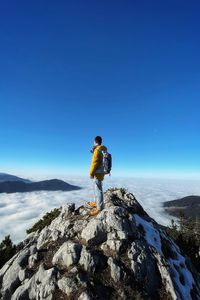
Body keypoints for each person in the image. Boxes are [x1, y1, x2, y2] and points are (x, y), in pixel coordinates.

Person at [88, 136, 107, 216]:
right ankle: (96, 203)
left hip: (97, 173)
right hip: (102, 172)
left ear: (95, 142)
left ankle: (99, 208)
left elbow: (94, 163)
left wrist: (91, 173)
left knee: (98, 190)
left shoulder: (97, 150)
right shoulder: (103, 149)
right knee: (97, 188)